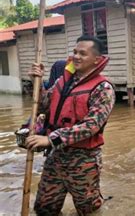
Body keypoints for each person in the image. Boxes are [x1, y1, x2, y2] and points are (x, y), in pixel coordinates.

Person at [25, 36, 115, 215]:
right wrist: (37, 82)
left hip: (83, 160)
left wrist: (50, 139)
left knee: (88, 210)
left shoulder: (103, 88)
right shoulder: (62, 81)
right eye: (75, 52)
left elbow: (91, 126)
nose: (76, 56)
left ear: (96, 59)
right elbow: (43, 104)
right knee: (44, 208)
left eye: (83, 53)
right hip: (55, 157)